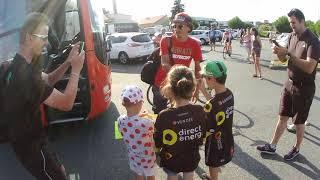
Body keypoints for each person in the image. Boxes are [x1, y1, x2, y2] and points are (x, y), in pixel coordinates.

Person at [1, 12, 85, 179]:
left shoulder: (17, 64)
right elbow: (66, 103)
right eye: (43, 37)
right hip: (33, 148)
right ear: (29, 38)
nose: (47, 43)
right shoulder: (26, 76)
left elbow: (50, 79)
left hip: (36, 141)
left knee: (59, 169)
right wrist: (76, 70)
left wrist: (68, 62)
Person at [257, 8, 320, 161]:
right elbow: (285, 60)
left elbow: (310, 67)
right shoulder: (292, 36)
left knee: (299, 122)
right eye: (290, 22)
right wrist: (279, 51)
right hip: (289, 84)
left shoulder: (313, 40)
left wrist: (289, 54)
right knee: (283, 116)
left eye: (293, 22)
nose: (291, 25)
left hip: (304, 88)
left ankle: (296, 148)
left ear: (301, 21)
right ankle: (272, 145)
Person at [154, 65, 206, 180]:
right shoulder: (199, 110)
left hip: (171, 158)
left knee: (172, 175)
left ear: (170, 89)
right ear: (193, 88)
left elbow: (157, 139)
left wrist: (156, 151)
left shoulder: (164, 115)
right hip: (192, 157)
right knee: (189, 174)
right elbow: (203, 134)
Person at [152, 12, 203, 114]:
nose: (176, 29)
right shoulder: (165, 40)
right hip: (161, 83)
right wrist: (182, 76)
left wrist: (196, 90)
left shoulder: (194, 45)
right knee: (159, 114)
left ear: (189, 28)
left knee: (179, 115)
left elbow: (198, 69)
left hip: (181, 86)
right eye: (174, 26)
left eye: (180, 26)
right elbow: (165, 64)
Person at [199, 60, 234, 180]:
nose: (203, 79)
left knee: (212, 162)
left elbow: (205, 126)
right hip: (227, 136)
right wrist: (204, 91)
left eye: (204, 77)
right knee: (218, 159)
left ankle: (213, 178)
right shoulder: (229, 94)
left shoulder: (211, 104)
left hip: (214, 141)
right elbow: (217, 105)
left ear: (212, 79)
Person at [118, 85, 156, 180]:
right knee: (150, 175)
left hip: (133, 156)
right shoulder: (146, 123)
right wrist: (148, 116)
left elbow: (122, 132)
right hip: (147, 157)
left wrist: (139, 117)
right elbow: (155, 128)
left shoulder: (120, 120)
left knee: (138, 174)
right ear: (139, 103)